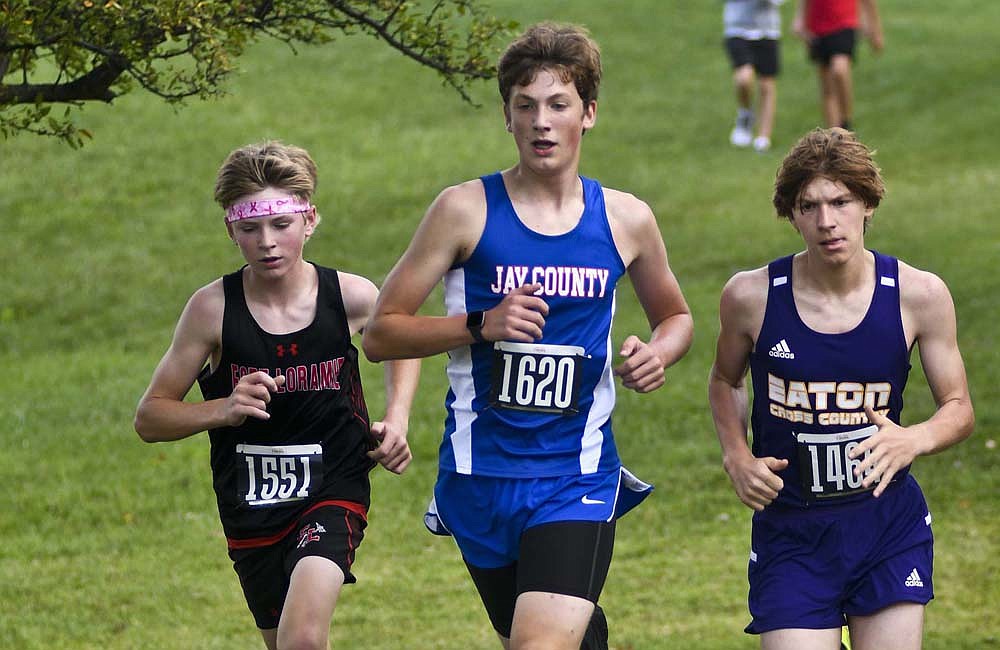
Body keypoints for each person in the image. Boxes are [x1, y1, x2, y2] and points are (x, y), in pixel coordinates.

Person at [362, 22, 693, 650]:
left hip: (577, 474)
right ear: (507, 118)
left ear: (588, 114)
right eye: (526, 105)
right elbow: (381, 333)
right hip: (477, 477)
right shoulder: (463, 210)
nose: (542, 122)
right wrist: (479, 326)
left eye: (558, 105)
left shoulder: (625, 219)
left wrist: (658, 353)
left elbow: (676, 317)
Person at [134, 141, 420, 650]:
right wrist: (222, 409)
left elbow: (402, 340)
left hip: (333, 488)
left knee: (303, 640)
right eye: (249, 228)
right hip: (251, 506)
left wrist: (396, 419)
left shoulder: (349, 296)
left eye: (281, 225)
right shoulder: (211, 311)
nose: (267, 242)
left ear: (309, 221)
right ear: (231, 230)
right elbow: (151, 418)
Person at [708, 127, 974, 650]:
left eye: (840, 201)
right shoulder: (751, 296)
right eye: (809, 206)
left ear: (868, 203)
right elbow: (725, 380)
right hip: (793, 531)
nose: (826, 221)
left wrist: (913, 439)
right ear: (791, 214)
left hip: (886, 526)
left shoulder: (918, 296)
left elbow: (959, 407)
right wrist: (737, 456)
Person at [793, 0, 883, 130]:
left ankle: (846, 121)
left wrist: (875, 30)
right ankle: (834, 136)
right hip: (818, 25)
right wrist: (800, 19)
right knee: (827, 88)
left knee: (839, 70)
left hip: (844, 23)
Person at [723, 0, 786, 152]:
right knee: (744, 77)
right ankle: (745, 114)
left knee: (766, 83)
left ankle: (763, 138)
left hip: (768, 30)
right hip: (737, 29)